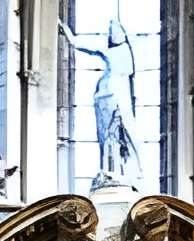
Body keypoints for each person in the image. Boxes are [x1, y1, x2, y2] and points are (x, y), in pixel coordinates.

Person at [61, 16, 142, 185]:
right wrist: (66, 31)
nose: (114, 34)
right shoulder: (112, 52)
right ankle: (108, 171)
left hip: (115, 99)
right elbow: (79, 44)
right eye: (111, 32)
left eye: (117, 31)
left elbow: (79, 44)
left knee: (120, 136)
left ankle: (123, 172)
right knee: (106, 138)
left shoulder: (122, 52)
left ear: (123, 34)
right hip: (104, 98)